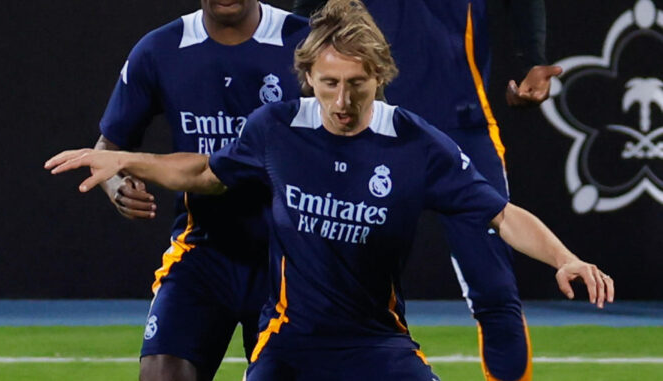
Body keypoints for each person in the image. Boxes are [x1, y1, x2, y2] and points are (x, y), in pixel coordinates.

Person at [46, 1, 614, 380]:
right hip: (285, 336)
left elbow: (503, 215)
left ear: (381, 79)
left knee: (493, 295)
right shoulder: (276, 126)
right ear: (309, 77)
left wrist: (566, 258)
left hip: (378, 344)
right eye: (329, 85)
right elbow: (202, 174)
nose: (342, 102)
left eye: (357, 86)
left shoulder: (416, 142)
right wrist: (122, 160)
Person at [291, 0, 563, 379]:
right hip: (363, 125)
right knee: (327, 288)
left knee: (494, 289)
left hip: (462, 124)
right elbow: (305, 13)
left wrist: (531, 58)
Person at [94, 0, 309, 379]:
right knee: (160, 373)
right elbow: (108, 149)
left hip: (291, 257)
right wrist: (117, 186)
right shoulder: (159, 49)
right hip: (203, 253)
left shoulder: (307, 43)